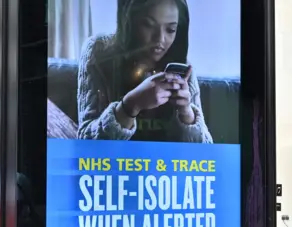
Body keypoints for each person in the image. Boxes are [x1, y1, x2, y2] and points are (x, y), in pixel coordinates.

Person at [77, 0, 212, 143]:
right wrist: (130, 105)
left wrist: (186, 113)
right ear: (129, 20)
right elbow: (86, 142)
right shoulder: (99, 52)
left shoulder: (181, 68)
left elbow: (207, 151)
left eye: (171, 30)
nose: (160, 40)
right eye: (148, 25)